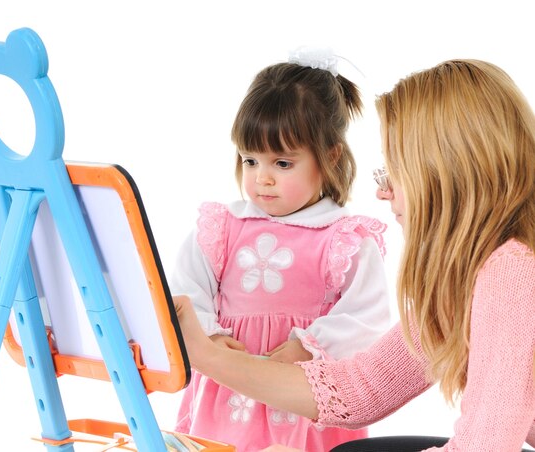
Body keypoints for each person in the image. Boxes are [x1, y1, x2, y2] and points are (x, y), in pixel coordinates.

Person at [173, 58, 535, 451]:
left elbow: (485, 446)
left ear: (444, 173)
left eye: (396, 170)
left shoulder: (512, 272)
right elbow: (361, 390)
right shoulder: (471, 278)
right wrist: (207, 357)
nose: (383, 191)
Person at [170, 47, 391, 451]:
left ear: (329, 156)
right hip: (228, 398)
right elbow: (184, 292)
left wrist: (310, 345)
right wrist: (211, 339)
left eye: (282, 164)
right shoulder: (222, 229)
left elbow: (368, 317)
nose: (262, 179)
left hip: (305, 402)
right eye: (250, 161)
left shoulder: (343, 239)